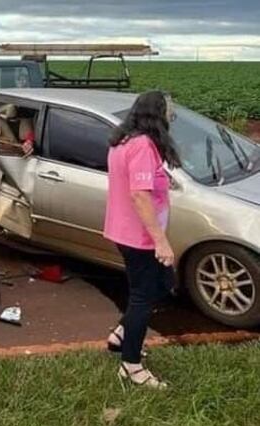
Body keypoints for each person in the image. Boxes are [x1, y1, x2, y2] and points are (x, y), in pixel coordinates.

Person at [103, 91, 180, 389]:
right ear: (157, 113)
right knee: (143, 297)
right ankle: (131, 365)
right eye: (169, 110)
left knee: (163, 284)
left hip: (125, 231)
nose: (172, 115)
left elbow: (136, 182)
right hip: (140, 237)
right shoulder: (143, 145)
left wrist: (162, 179)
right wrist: (160, 241)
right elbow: (138, 194)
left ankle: (120, 336)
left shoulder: (123, 141)